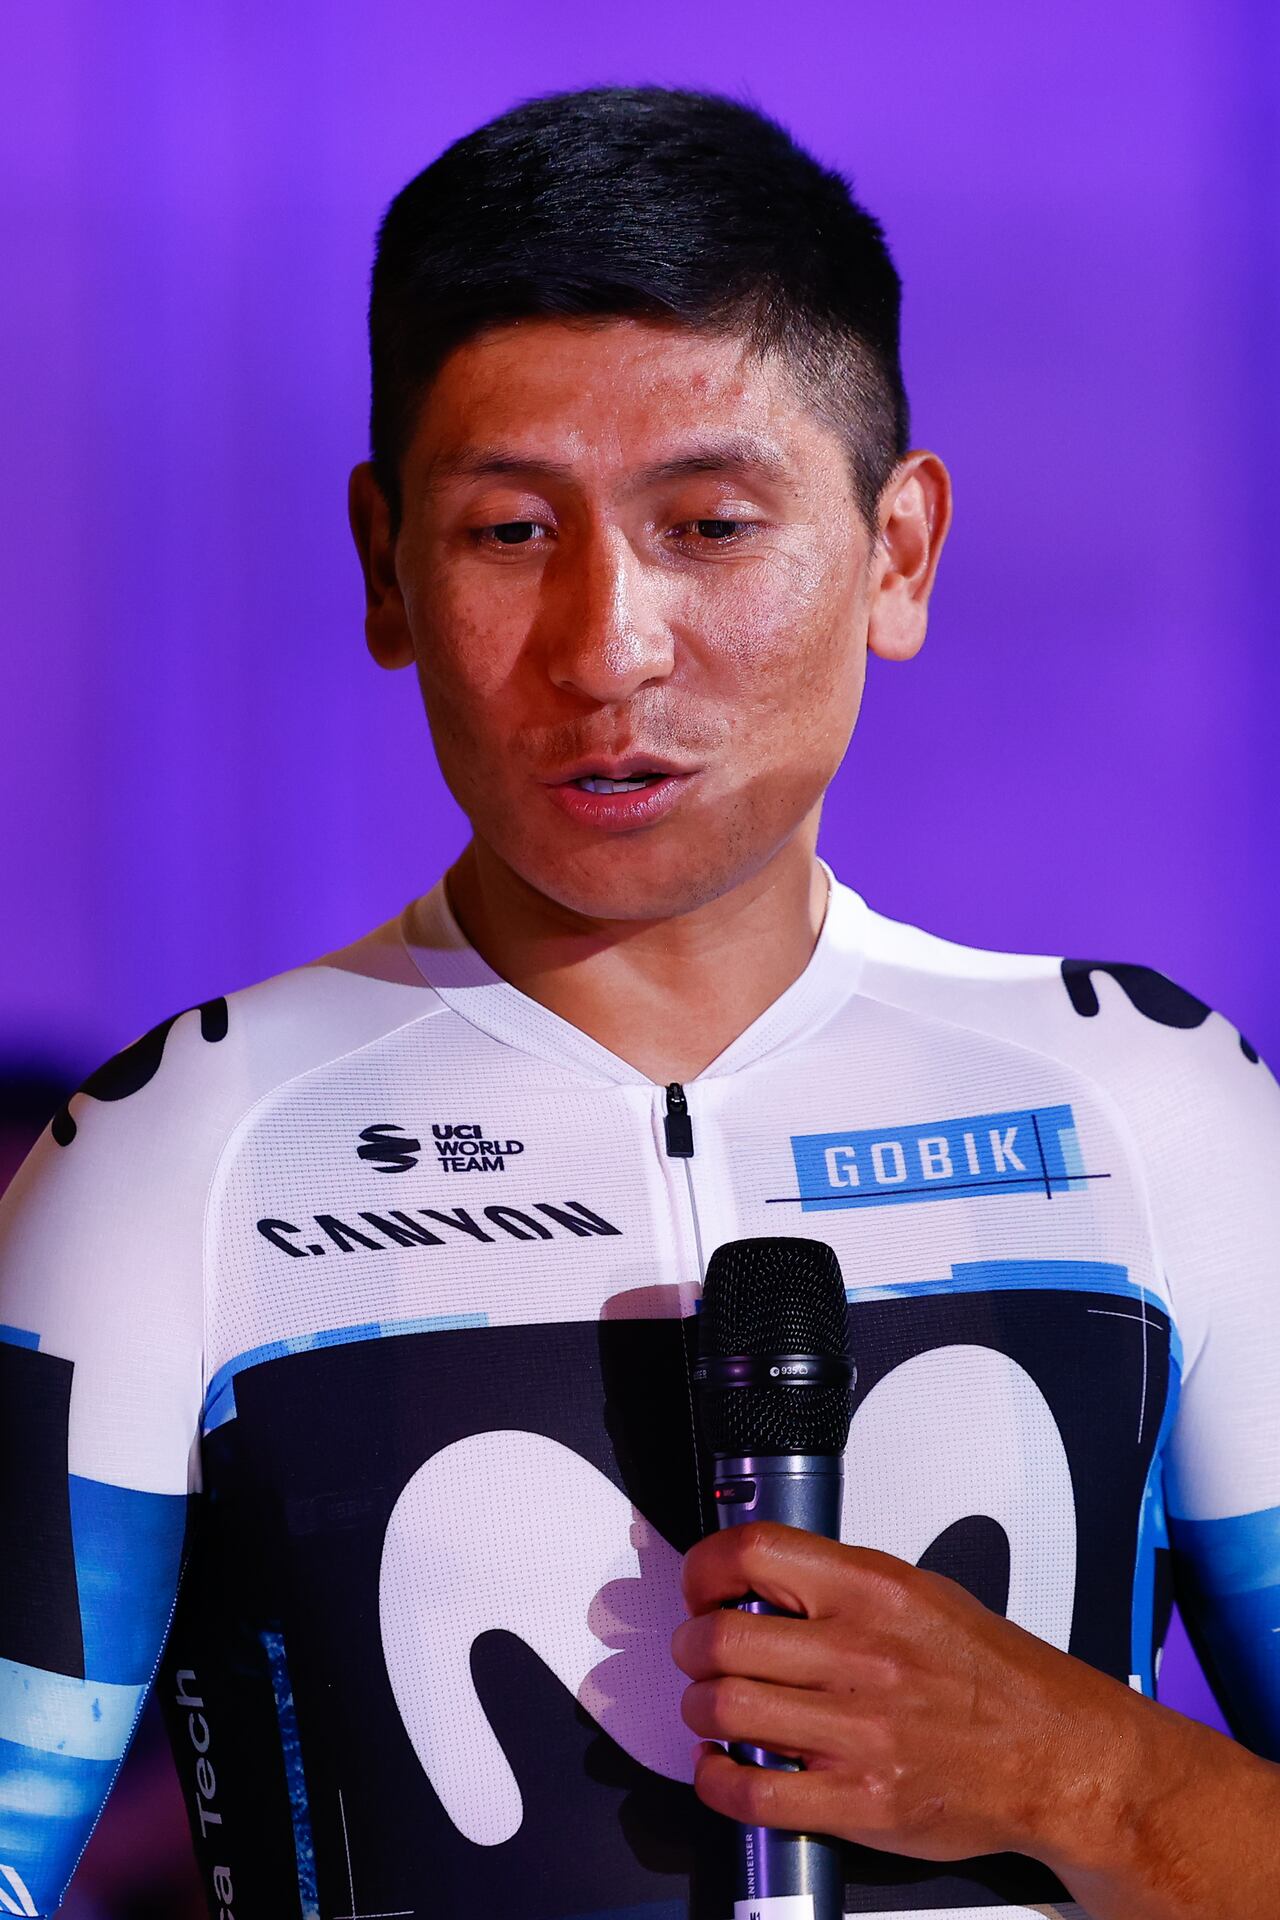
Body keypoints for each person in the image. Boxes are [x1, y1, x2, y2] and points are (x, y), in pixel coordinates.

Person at [1, 83, 1277, 1920]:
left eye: (711, 525)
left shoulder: (1160, 1114)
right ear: (384, 565)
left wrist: (1104, 1778)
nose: (609, 647)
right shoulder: (169, 1159)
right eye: (512, 531)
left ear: (896, 551)